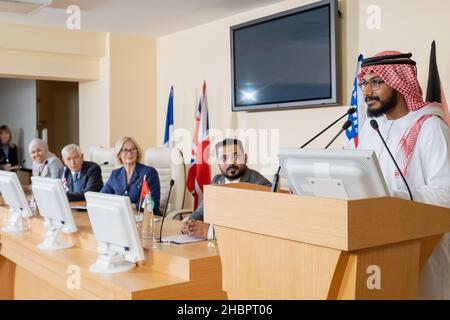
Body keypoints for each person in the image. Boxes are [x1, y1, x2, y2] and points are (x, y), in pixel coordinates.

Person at [357, 50, 450, 300]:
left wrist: (392, 198)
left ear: (400, 83)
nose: (367, 92)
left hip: (423, 244)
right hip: (378, 240)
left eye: (377, 82)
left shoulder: (431, 127)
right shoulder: (371, 128)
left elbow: (446, 194)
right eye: (364, 83)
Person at [183, 138, 272, 240]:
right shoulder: (216, 180)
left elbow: (255, 226)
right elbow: (200, 212)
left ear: (245, 158)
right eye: (224, 158)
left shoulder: (260, 185)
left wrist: (212, 232)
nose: (230, 163)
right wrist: (189, 224)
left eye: (235, 156)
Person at [101, 137, 161, 215]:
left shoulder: (149, 172)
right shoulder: (115, 174)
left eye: (133, 150)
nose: (129, 153)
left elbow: (153, 204)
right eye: (125, 150)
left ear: (137, 152)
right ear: (119, 154)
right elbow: (102, 196)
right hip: (121, 216)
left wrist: (129, 206)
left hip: (146, 219)